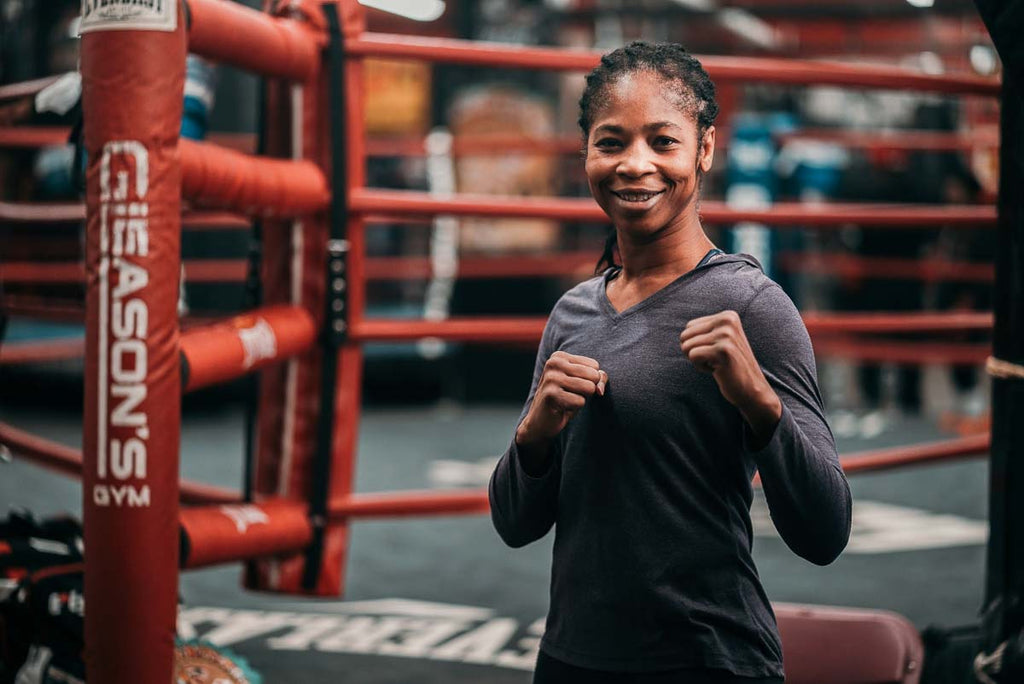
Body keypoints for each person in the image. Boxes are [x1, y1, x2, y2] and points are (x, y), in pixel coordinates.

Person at [488, 42, 852, 683]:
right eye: (611, 143)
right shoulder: (573, 313)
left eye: (662, 141)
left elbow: (825, 534)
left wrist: (760, 406)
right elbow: (516, 524)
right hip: (573, 659)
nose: (635, 165)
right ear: (586, 155)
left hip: (708, 661)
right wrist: (534, 434)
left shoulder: (751, 306)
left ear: (704, 149)